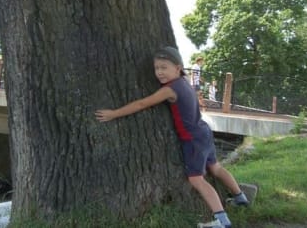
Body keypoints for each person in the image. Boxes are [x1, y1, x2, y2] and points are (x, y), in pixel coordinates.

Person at [95, 46, 248, 228]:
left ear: (178, 68)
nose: (159, 72)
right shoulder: (185, 82)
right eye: (156, 68)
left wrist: (114, 114)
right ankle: (240, 198)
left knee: (196, 179)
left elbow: (142, 103)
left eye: (164, 67)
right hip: (204, 132)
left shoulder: (170, 89)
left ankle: (222, 221)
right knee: (215, 168)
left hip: (192, 139)